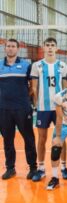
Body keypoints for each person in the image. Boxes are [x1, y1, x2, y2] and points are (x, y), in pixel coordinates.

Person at [31, 37, 67, 181]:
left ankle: (64, 167)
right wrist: (36, 105)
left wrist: (66, 105)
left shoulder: (63, 66)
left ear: (56, 48)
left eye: (53, 45)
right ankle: (41, 168)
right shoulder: (37, 65)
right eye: (48, 45)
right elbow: (34, 88)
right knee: (42, 138)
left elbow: (65, 87)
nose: (50, 47)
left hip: (59, 107)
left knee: (61, 137)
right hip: (43, 108)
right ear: (44, 47)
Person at [0, 38, 37, 180]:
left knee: (29, 138)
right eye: (8, 46)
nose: (10, 48)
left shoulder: (26, 65)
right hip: (4, 109)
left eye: (13, 46)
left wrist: (24, 99)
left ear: (17, 49)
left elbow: (32, 87)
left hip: (22, 108)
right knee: (7, 139)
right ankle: (10, 168)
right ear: (5, 48)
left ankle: (33, 167)